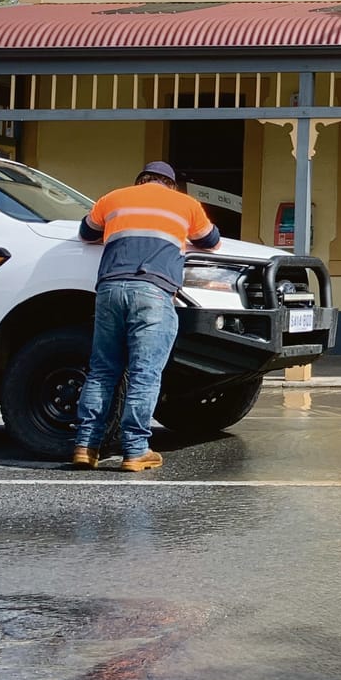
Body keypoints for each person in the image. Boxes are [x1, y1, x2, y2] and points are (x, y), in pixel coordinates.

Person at [70, 161, 222, 472]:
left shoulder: (112, 199)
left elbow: (86, 234)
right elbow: (212, 241)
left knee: (102, 370)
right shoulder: (186, 204)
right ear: (171, 185)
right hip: (153, 290)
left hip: (110, 289)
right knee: (144, 373)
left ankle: (86, 447)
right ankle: (135, 450)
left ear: (140, 181)